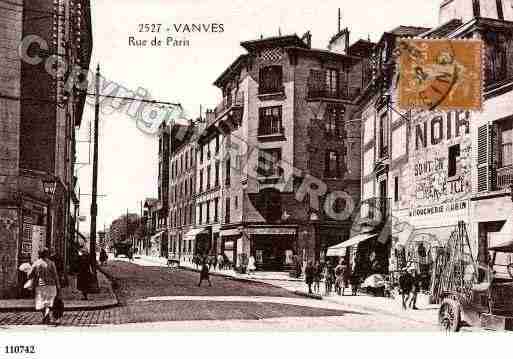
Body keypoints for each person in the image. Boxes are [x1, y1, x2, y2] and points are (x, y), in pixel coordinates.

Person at [29, 248, 61, 324]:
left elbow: (29, 275)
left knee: (42, 302)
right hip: (51, 285)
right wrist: (58, 285)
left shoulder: (36, 263)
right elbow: (55, 275)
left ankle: (45, 316)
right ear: (47, 254)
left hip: (41, 286)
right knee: (49, 302)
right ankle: (47, 315)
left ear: (39, 254)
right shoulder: (51, 263)